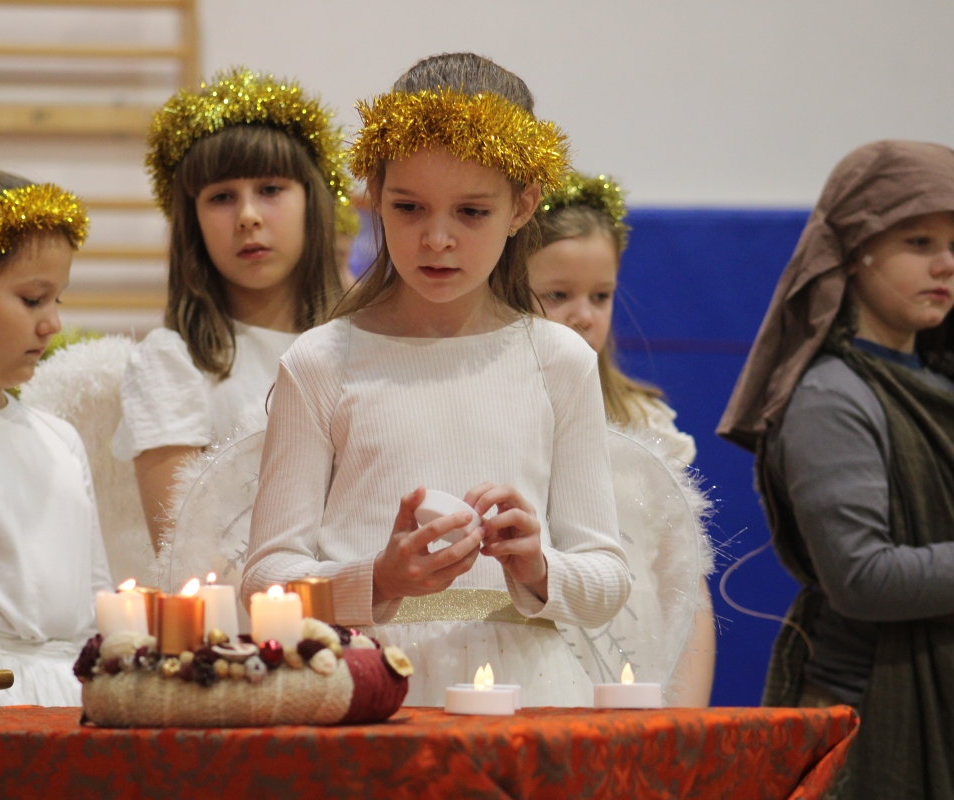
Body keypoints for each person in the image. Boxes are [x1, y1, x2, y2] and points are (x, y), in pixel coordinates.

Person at [242, 53, 631, 707]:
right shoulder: (321, 361)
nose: (437, 239)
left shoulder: (559, 360)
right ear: (374, 194)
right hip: (365, 683)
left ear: (522, 206)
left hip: (527, 690)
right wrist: (378, 579)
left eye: (472, 211)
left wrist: (538, 567)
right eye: (409, 207)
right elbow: (263, 584)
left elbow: (608, 580)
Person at [718, 140, 954, 797]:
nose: (945, 264)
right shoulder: (831, 396)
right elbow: (862, 577)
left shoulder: (939, 382)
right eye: (918, 241)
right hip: (867, 717)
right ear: (853, 252)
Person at [112, 69, 346, 550]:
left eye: (271, 189)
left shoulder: (362, 343)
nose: (248, 216)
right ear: (192, 222)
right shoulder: (171, 361)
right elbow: (183, 555)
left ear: (313, 201)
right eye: (221, 197)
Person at [0, 146, 111, 707]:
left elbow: (98, 597)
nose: (52, 323)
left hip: (74, 689)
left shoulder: (60, 440)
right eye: (32, 299)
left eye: (57, 299)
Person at [531, 173, 715, 706]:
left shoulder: (645, 421)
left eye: (601, 296)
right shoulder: (498, 417)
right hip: (540, 670)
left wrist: (684, 715)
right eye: (557, 295)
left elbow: (687, 585)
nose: (584, 315)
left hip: (639, 670)